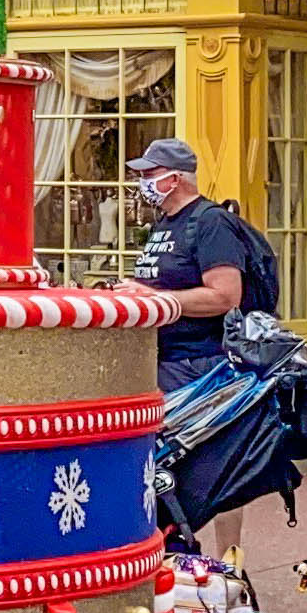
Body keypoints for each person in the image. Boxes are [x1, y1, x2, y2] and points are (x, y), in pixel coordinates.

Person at [111, 137, 252, 554]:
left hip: (198, 362)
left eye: (150, 174)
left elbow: (226, 295)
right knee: (170, 466)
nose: (142, 182)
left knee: (212, 465)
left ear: (176, 178)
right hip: (163, 358)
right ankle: (175, 552)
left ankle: (228, 561)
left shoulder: (211, 223)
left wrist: (157, 299)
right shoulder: (164, 225)